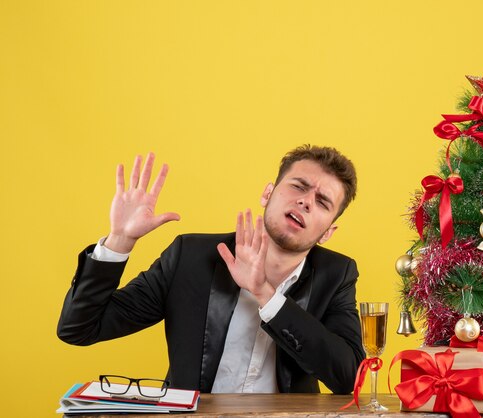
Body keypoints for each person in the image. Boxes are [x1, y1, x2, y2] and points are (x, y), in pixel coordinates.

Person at [57, 145, 365, 395]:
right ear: (267, 194)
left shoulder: (336, 275)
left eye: (322, 202)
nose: (306, 201)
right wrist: (119, 241)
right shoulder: (190, 258)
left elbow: (349, 379)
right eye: (299, 186)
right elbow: (79, 328)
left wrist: (266, 296)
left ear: (328, 232)